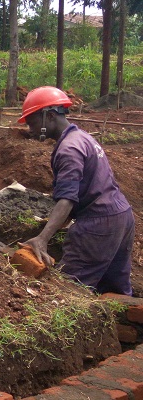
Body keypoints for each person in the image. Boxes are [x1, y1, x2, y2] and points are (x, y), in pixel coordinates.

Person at [20, 87, 134, 296]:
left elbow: (67, 199)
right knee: (115, 291)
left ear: (49, 116)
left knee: (67, 292)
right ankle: (124, 327)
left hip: (98, 225)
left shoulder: (68, 150)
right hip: (122, 217)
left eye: (32, 121)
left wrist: (43, 238)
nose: (29, 129)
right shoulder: (82, 137)